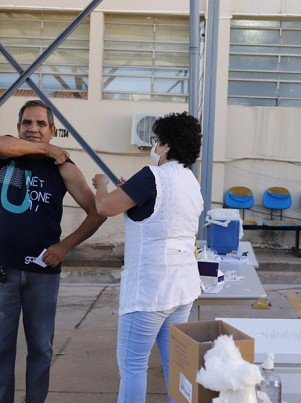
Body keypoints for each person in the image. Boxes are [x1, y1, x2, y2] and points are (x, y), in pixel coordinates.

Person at [0, 99, 105, 403]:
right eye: (27, 123)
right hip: (2, 269)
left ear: (52, 130)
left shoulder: (63, 168)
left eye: (40, 124)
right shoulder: (5, 154)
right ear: (18, 128)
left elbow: (97, 211)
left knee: (41, 349)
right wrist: (46, 150)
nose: (33, 128)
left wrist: (65, 246)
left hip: (43, 274)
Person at [92, 112, 204, 403]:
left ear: (165, 146)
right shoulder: (191, 181)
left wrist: (100, 185)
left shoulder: (150, 177)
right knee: (176, 367)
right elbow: (161, 212)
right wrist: (130, 189)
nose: (153, 147)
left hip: (149, 291)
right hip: (182, 289)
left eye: (156, 142)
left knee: (132, 366)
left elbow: (104, 207)